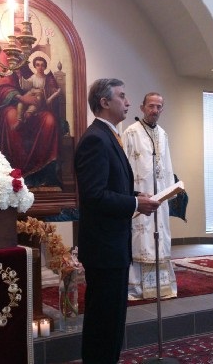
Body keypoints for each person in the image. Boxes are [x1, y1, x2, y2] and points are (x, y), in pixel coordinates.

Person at [75, 78, 160, 363]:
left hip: (112, 246)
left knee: (111, 321)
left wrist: (136, 195)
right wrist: (136, 203)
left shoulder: (109, 136)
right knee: (104, 321)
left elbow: (111, 187)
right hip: (104, 248)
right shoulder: (96, 140)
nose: (127, 102)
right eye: (122, 96)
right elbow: (95, 196)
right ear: (104, 102)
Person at [122, 92, 177, 300]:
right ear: (142, 107)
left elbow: (167, 162)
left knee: (160, 236)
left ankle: (161, 286)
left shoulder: (163, 134)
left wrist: (170, 189)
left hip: (160, 194)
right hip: (140, 194)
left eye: (159, 107)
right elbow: (124, 165)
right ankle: (137, 287)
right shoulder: (131, 132)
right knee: (141, 236)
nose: (155, 110)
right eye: (151, 106)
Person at [0, 54, 61, 187]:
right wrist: (21, 97)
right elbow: (3, 86)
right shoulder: (5, 55)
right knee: (12, 119)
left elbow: (50, 84)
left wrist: (50, 90)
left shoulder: (31, 54)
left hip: (37, 105)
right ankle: (16, 174)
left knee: (49, 120)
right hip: (12, 103)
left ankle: (41, 173)